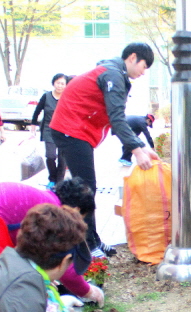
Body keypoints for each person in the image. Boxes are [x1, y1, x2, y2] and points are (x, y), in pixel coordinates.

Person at [49, 42, 160, 257]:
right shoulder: (113, 75)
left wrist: (142, 147)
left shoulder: (112, 72)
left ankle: (92, 240)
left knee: (85, 188)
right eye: (144, 66)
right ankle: (86, 246)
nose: (144, 73)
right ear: (132, 57)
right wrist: (137, 151)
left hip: (74, 130)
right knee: (85, 189)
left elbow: (117, 118)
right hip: (71, 130)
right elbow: (117, 118)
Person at [31, 73, 69, 188]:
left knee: (62, 158)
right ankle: (52, 178)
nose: (60, 86)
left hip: (64, 129)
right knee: (50, 156)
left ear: (66, 85)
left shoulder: (68, 97)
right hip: (49, 129)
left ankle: (59, 182)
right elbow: (37, 111)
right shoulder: (46, 96)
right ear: (53, 83)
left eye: (62, 83)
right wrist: (33, 124)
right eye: (58, 83)